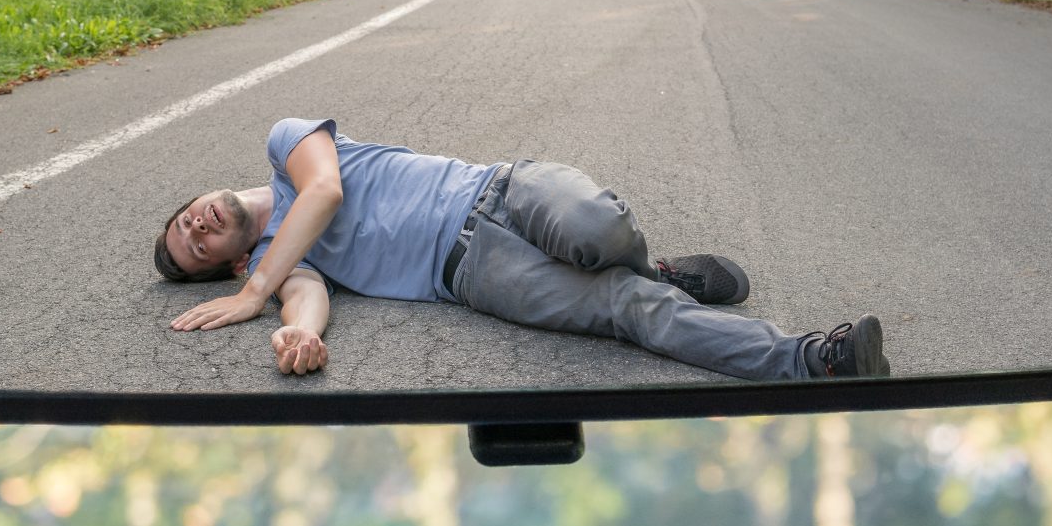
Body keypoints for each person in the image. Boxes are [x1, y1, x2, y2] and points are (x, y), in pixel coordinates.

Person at [152, 118, 890, 381]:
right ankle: (812, 360)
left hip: (504, 190)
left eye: (186, 219)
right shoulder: (286, 261)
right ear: (227, 263)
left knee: (597, 234)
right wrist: (297, 336)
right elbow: (304, 297)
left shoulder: (289, 146)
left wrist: (252, 292)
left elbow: (326, 193)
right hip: (477, 274)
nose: (197, 227)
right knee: (631, 312)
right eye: (197, 247)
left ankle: (655, 267)